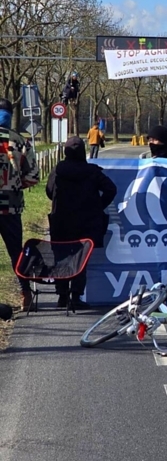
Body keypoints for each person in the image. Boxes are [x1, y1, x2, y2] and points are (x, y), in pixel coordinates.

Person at [45, 136, 117, 309]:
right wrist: (98, 206)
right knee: (80, 259)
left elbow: (49, 190)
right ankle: (76, 296)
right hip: (87, 222)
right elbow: (111, 189)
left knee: (61, 257)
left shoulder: (58, 170)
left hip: (61, 221)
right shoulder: (92, 172)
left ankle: (62, 295)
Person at [0, 98, 40, 311]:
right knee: (16, 252)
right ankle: (26, 294)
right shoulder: (20, 141)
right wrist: (15, 185)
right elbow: (33, 176)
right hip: (11, 207)